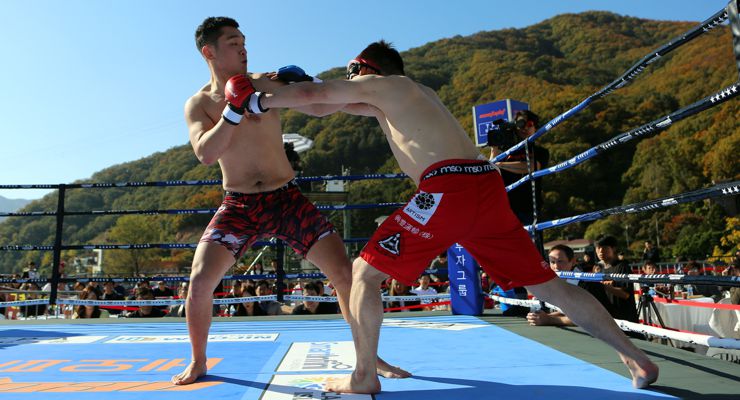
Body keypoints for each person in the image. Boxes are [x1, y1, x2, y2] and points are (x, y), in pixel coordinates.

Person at [252, 40, 658, 393]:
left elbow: (314, 98)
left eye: (350, 72)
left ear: (365, 68)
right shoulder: (407, 94)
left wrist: (257, 101)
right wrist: (274, 84)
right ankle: (635, 358)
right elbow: (323, 105)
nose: (348, 78)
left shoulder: (390, 85)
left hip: (448, 187)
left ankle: (363, 375)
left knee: (363, 273)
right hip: (484, 185)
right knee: (548, 286)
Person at [172, 17, 407, 386]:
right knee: (200, 281)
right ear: (209, 51)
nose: (243, 48)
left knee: (344, 273)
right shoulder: (199, 103)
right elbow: (205, 152)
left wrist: (316, 84)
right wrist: (232, 111)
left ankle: (369, 357)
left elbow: (319, 108)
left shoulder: (268, 83)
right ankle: (198, 361)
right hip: (239, 205)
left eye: (244, 40)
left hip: (287, 198)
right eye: (233, 42)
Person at [488, 110, 549, 227]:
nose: (525, 128)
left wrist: (500, 164)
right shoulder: (505, 153)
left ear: (536, 127)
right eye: (521, 124)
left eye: (529, 124)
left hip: (530, 209)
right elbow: (491, 170)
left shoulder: (540, 152)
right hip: (506, 210)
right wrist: (494, 149)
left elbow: (532, 167)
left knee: (532, 243)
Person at [527, 244, 614, 326]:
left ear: (573, 262)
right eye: (552, 262)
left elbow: (586, 317)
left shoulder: (586, 284)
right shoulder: (558, 282)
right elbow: (567, 311)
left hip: (613, 333)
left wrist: (549, 319)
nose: (556, 266)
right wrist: (541, 316)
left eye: (560, 261)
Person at [595, 235, 639, 323]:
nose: (601, 251)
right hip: (608, 318)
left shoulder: (622, 267)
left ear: (613, 249)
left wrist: (604, 286)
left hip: (625, 320)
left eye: (604, 247)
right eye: (598, 247)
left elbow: (626, 294)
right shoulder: (600, 269)